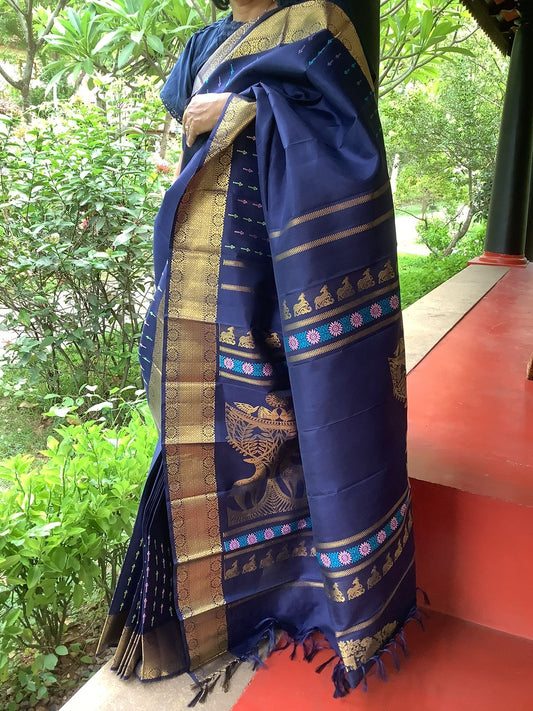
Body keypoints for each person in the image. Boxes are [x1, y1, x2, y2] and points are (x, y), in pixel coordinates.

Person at [97, 0, 418, 699]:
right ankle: (200, 608)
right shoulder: (204, 43)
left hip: (286, 268)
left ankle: (310, 592)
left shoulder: (318, 26)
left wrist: (248, 110)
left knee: (296, 413)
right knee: (198, 417)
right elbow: (187, 116)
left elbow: (351, 142)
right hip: (203, 267)